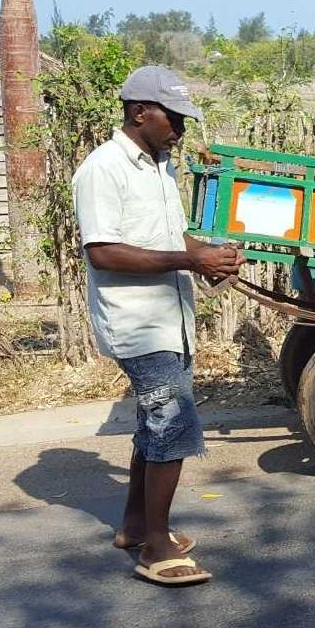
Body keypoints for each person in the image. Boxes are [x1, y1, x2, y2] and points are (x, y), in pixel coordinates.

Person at [73, 65, 244, 586]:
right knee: (172, 426)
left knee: (155, 421)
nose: (181, 130)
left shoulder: (158, 167)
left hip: (171, 319)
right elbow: (103, 252)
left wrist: (209, 255)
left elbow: (169, 237)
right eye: (174, 118)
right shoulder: (105, 169)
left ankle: (135, 526)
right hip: (140, 323)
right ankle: (157, 548)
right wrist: (192, 262)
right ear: (139, 112)